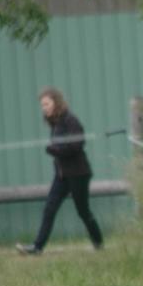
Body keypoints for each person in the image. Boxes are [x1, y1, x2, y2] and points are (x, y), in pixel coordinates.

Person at [16, 87, 104, 254]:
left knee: (83, 211)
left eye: (46, 104)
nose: (44, 108)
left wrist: (54, 150)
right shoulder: (55, 124)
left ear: (56, 102)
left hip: (78, 174)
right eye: (42, 105)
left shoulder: (70, 120)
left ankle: (98, 244)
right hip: (62, 175)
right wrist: (54, 150)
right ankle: (37, 247)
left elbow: (77, 146)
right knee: (49, 208)